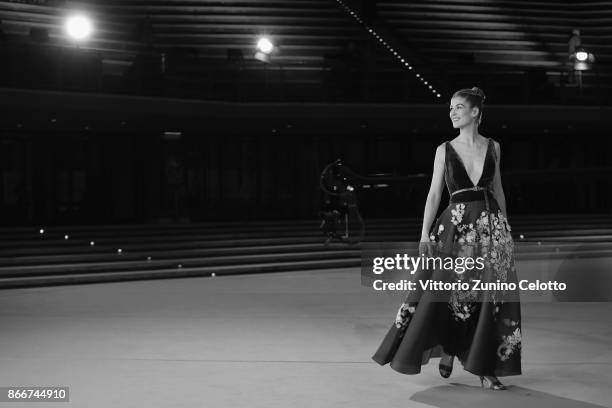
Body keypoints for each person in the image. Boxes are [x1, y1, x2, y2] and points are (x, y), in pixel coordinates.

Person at [372, 87, 522, 390]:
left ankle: (484, 367)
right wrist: (424, 233)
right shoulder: (444, 149)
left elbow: (499, 190)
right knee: (448, 296)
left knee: (487, 298)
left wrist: (505, 230)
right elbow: (434, 195)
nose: (452, 112)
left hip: (491, 231)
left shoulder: (494, 147)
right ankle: (450, 351)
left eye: (458, 107)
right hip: (455, 229)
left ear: (475, 112)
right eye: (450, 108)